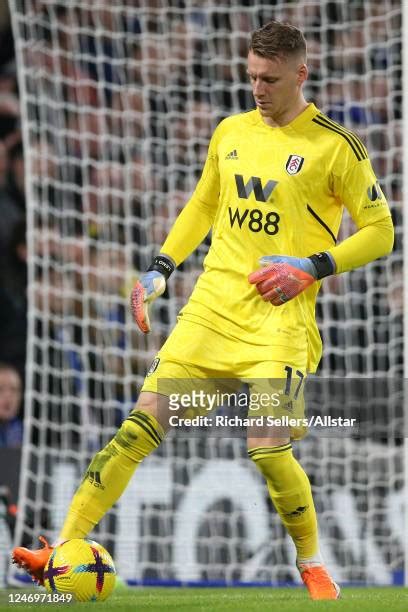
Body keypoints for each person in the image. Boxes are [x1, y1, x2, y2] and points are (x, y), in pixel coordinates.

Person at [13, 21, 393, 600]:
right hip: (210, 314)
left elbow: (381, 232)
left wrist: (311, 267)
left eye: (269, 79)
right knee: (136, 429)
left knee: (268, 450)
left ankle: (313, 563)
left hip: (279, 325)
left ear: (301, 74)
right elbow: (204, 204)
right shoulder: (230, 131)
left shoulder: (336, 147)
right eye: (251, 77)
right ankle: (59, 549)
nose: (258, 89)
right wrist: (161, 269)